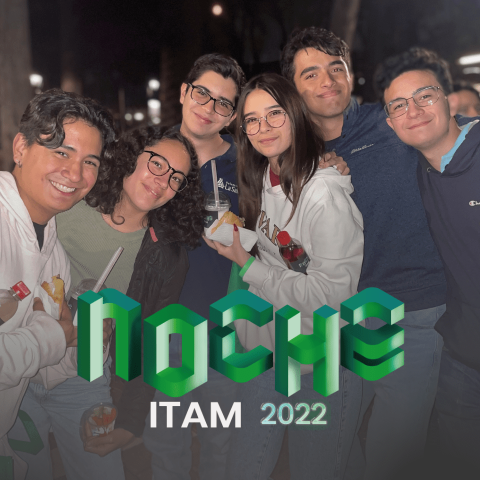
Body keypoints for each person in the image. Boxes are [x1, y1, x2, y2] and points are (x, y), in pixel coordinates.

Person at [280, 27, 449, 479]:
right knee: (325, 449)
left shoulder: (392, 121)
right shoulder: (292, 155)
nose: (327, 80)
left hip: (413, 309)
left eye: (336, 67)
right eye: (310, 74)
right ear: (293, 88)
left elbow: (457, 137)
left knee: (392, 455)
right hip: (339, 318)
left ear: (350, 72)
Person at [8, 126, 204, 479]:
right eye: (157, 164)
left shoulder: (166, 256)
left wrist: (131, 422)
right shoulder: (68, 205)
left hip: (85, 374)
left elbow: (149, 341)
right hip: (21, 364)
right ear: (132, 156)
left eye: (176, 178)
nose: (162, 181)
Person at [206, 72, 364, 480]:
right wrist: (236, 242)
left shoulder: (323, 194)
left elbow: (331, 297)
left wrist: (247, 265)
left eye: (274, 113)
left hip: (323, 357)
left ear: (295, 115)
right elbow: (279, 251)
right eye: (252, 120)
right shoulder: (263, 177)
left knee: (316, 469)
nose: (264, 127)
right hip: (273, 347)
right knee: (244, 465)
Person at [1, 88, 116, 480]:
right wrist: (54, 335)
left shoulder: (52, 250)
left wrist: (85, 339)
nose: (76, 174)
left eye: (90, 162)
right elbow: (46, 337)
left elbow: (47, 359)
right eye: (62, 152)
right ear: (21, 147)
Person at [376, 47, 480, 476]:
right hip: (464, 355)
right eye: (399, 105)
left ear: (449, 100)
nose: (413, 111)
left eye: (424, 96)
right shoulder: (417, 170)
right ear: (390, 122)